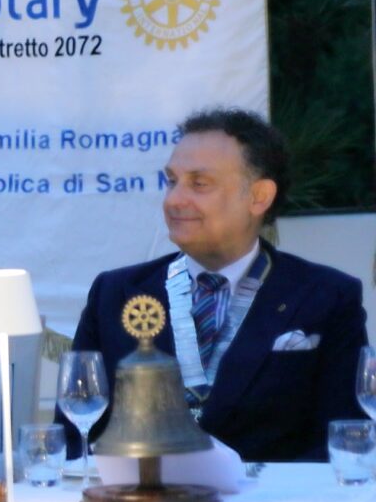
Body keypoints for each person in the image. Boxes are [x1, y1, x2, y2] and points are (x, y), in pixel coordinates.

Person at [63, 108, 369, 462]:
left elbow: (346, 439)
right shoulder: (116, 294)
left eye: (199, 183)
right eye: (171, 181)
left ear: (258, 197)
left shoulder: (326, 296)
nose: (174, 199)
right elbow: (75, 438)